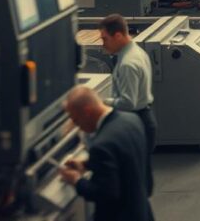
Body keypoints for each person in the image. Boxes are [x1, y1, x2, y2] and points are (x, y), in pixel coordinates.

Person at [58, 86, 154, 221]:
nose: (77, 126)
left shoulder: (102, 145)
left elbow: (105, 194)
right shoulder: (131, 119)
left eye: (76, 120)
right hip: (140, 212)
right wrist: (87, 164)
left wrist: (76, 180)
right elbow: (124, 162)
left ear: (87, 112)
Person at [98, 14, 155, 195]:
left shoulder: (128, 64)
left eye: (105, 39)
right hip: (144, 118)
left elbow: (128, 102)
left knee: (135, 185)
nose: (103, 44)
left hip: (136, 120)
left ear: (118, 36)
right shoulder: (137, 52)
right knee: (142, 180)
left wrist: (101, 102)